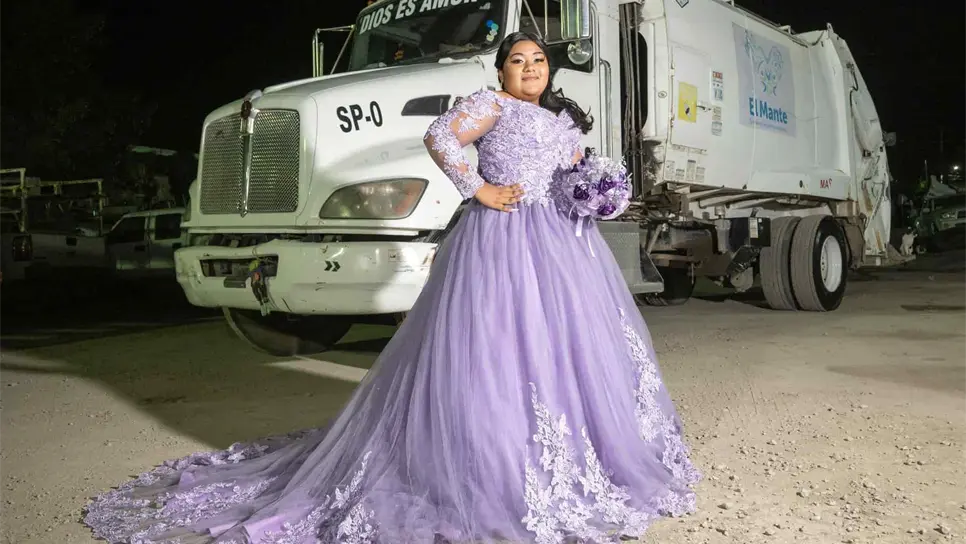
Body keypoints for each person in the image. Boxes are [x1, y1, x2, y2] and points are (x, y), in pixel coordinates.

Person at [83, 32, 699, 544]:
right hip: (502, 236)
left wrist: (597, 191)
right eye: (518, 60)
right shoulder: (491, 105)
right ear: (502, 70)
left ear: (549, 69)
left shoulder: (558, 118)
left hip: (561, 244)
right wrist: (477, 189)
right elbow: (438, 138)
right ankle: (494, 464)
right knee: (495, 346)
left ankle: (570, 454)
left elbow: (569, 175)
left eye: (538, 60)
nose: (530, 68)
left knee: (564, 349)